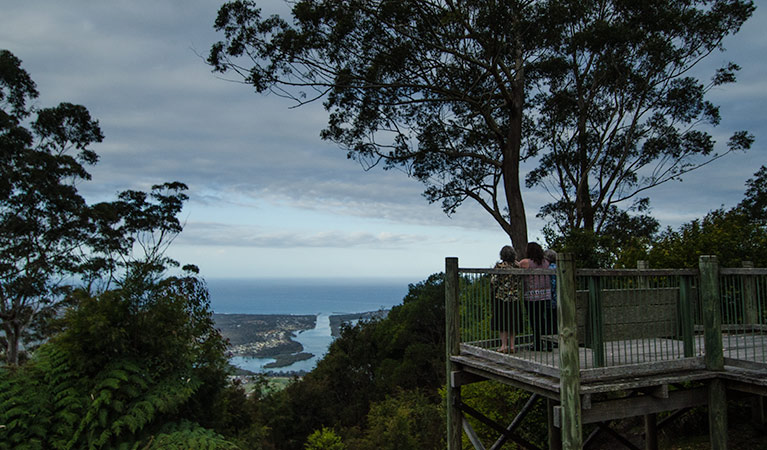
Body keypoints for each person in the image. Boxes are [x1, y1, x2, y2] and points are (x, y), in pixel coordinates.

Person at [490, 245, 523, 353]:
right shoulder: (518, 266)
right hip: (515, 297)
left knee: (502, 322)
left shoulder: (499, 266)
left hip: (501, 297)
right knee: (513, 321)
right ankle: (512, 345)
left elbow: (494, 281)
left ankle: (504, 345)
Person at [519, 243, 551, 351]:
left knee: (534, 320)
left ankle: (537, 343)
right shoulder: (546, 262)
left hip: (531, 295)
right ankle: (547, 342)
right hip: (545, 294)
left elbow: (517, 265)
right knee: (543, 320)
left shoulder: (526, 262)